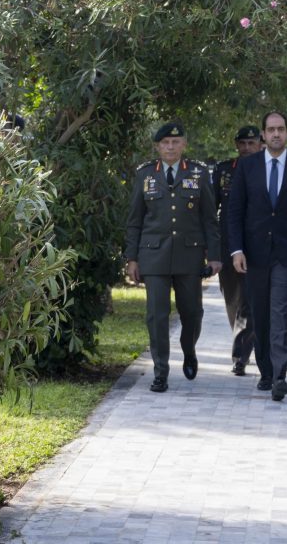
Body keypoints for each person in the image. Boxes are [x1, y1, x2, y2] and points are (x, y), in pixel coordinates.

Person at [226, 111, 287, 402]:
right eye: (271, 129)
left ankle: (280, 374)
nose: (276, 134)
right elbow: (235, 210)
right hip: (254, 254)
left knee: (281, 312)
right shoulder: (248, 166)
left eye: (281, 129)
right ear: (263, 135)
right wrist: (236, 249)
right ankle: (265, 371)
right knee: (260, 313)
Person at [125, 122, 221, 393]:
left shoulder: (198, 173)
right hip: (153, 255)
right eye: (165, 142)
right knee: (156, 315)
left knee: (192, 313)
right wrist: (132, 259)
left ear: (184, 145)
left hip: (189, 255)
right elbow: (134, 221)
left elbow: (209, 219)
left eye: (175, 142)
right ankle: (160, 371)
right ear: (157, 146)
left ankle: (189, 350)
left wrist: (214, 256)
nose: (170, 147)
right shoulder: (145, 175)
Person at [213, 125, 262, 375]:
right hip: (228, 246)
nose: (246, 148)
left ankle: (240, 356)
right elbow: (210, 211)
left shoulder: (266, 169)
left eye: (251, 143)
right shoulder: (223, 171)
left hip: (257, 246)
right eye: (242, 143)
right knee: (232, 300)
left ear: (260, 145)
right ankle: (242, 342)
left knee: (249, 303)